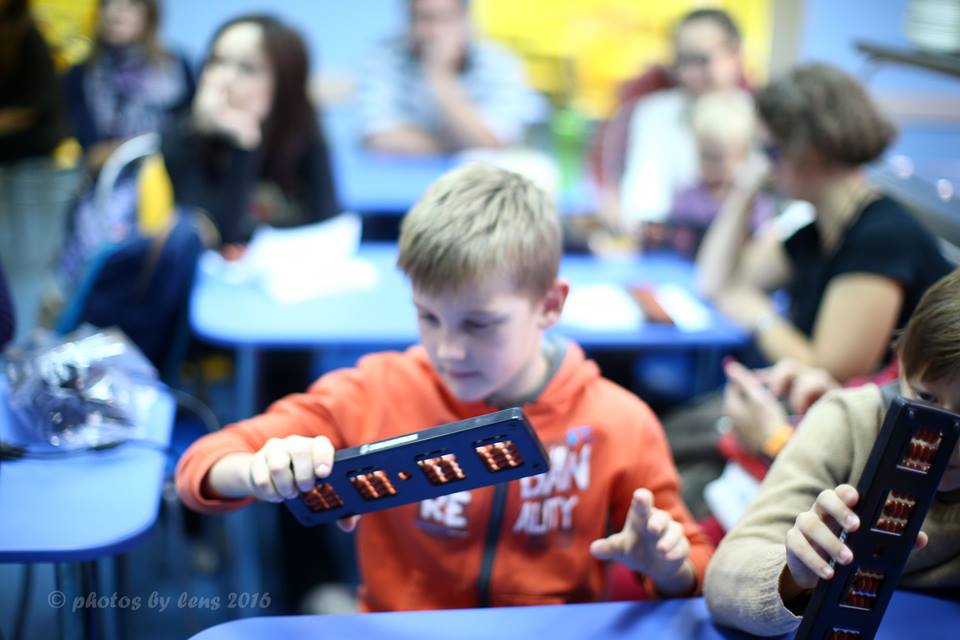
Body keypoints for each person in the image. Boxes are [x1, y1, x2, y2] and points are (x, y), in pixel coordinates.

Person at [176, 163, 713, 610]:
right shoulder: (377, 391)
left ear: (550, 305)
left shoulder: (620, 423)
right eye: (428, 317)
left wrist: (667, 566)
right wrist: (259, 471)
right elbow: (201, 465)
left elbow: (695, 566)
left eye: (479, 324)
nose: (449, 349)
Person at [704, 268, 960, 636]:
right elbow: (723, 580)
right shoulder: (848, 421)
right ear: (902, 363)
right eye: (925, 397)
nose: (944, 439)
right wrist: (794, 575)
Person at [698, 63, 952, 383]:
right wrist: (744, 190)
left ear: (812, 151)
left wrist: (759, 318)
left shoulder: (883, 238)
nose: (764, 165)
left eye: (771, 151)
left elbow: (828, 375)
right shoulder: (819, 232)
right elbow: (717, 284)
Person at [160, 14, 338, 246]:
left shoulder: (301, 127)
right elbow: (214, 239)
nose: (225, 78)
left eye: (247, 69)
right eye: (216, 62)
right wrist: (243, 144)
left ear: (284, 80)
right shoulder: (182, 135)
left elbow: (328, 226)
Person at [614, 8, 745, 231]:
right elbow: (643, 208)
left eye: (701, 60)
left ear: (735, 55)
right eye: (682, 61)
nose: (688, 74)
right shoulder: (655, 114)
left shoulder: (759, 119)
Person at [356, 0, 541, 155]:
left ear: (466, 20)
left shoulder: (499, 62)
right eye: (421, 18)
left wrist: (440, 77)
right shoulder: (383, 57)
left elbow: (491, 142)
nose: (432, 32)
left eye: (444, 18)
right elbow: (378, 138)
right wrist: (461, 143)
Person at [0, 0, 79, 342]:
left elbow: (38, 103)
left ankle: (23, 350)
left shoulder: (27, 37)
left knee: (28, 268)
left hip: (37, 165)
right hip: (8, 162)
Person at [62, 0, 194, 173]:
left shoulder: (176, 68)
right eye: (108, 3)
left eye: (131, 3)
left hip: (169, 177)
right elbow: (92, 155)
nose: (115, 13)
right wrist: (152, 145)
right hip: (105, 181)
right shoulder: (80, 75)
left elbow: (190, 136)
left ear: (150, 14)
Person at [641, 88, 774, 258]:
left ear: (742, 156)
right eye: (703, 155)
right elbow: (674, 240)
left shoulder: (752, 203)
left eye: (717, 158)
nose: (709, 165)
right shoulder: (688, 198)